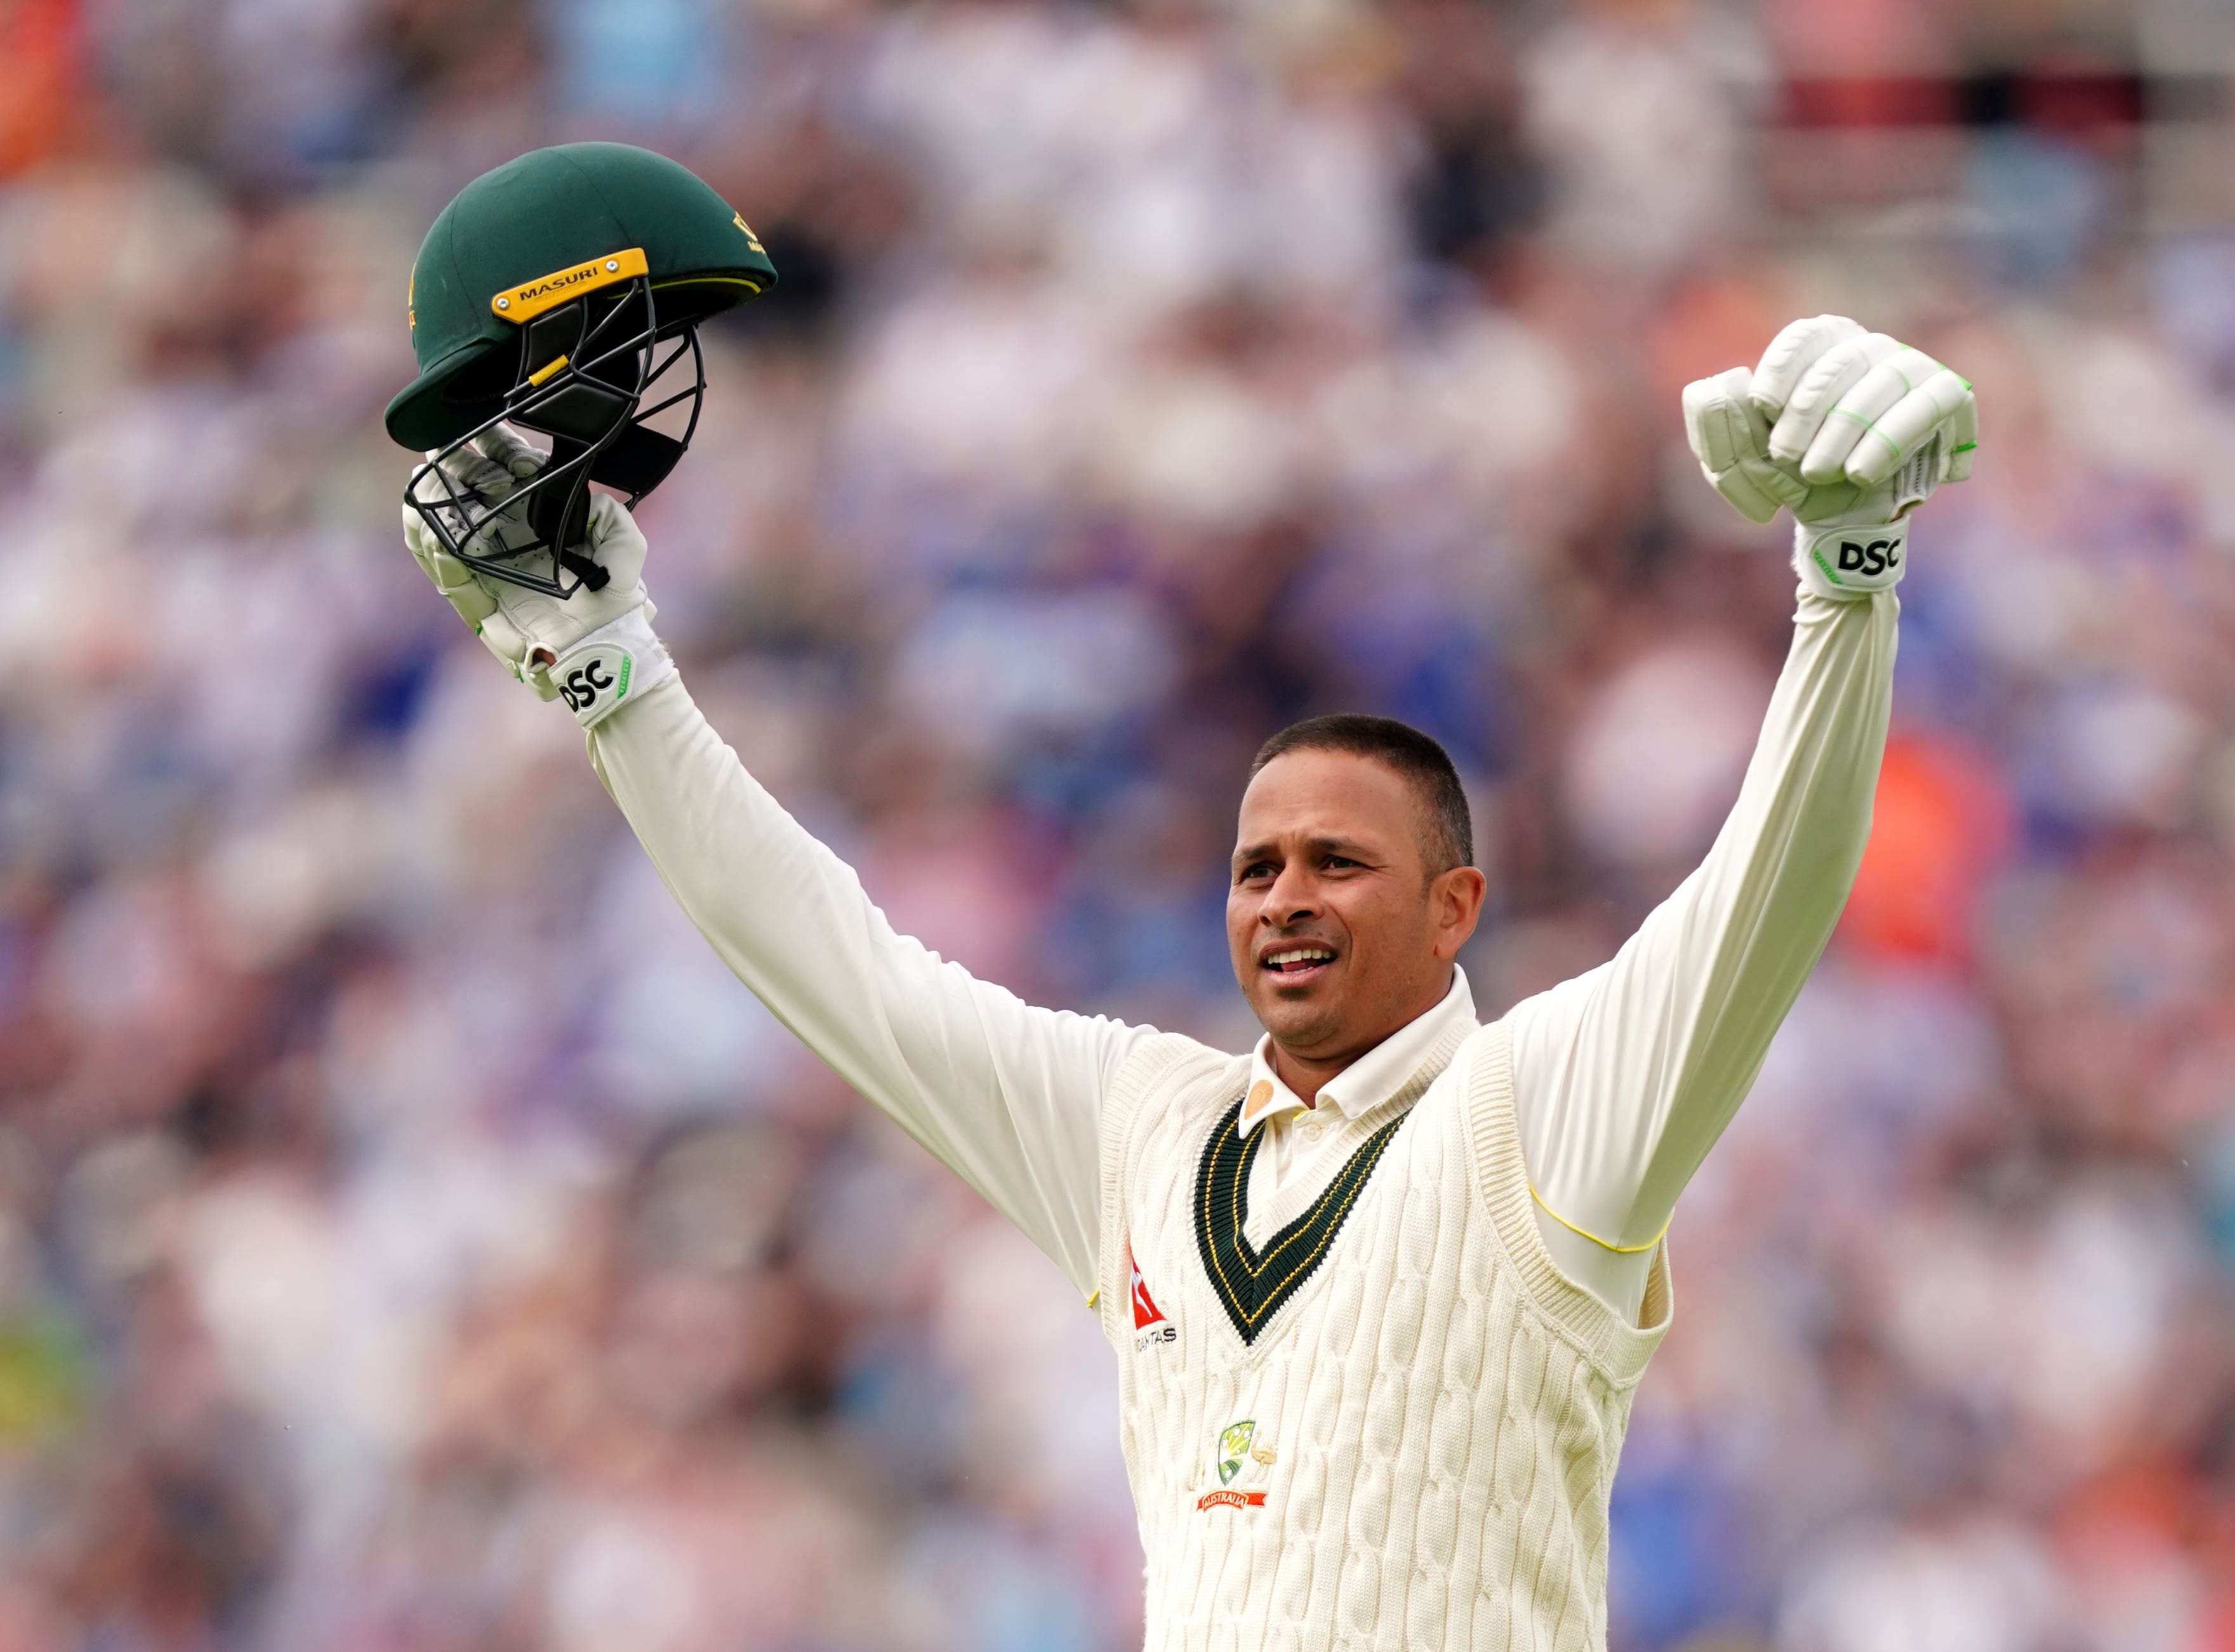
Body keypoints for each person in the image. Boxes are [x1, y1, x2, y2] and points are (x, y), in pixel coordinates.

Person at [400, 286, 1973, 1642]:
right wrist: (619, 685)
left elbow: (1765, 897)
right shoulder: (1141, 1128)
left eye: (1338, 864)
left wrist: (1847, 571)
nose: (1282, 900)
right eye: (1252, 868)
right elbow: (831, 962)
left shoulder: (1544, 1104)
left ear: (1454, 906)